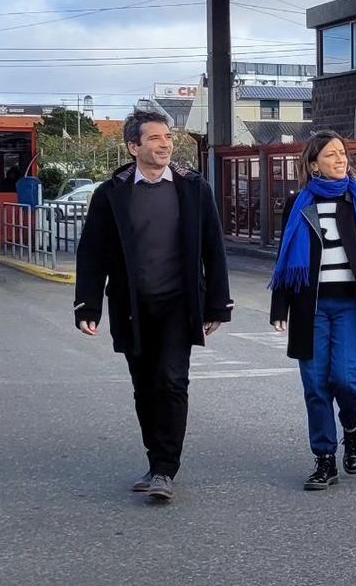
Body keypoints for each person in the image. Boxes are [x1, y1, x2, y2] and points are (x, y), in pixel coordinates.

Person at [73, 110, 233, 503]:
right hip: (132, 306)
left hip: (180, 303)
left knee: (172, 380)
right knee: (144, 386)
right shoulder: (112, 193)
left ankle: (165, 468)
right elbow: (93, 253)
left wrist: (217, 303)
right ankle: (154, 459)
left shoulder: (193, 188)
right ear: (133, 147)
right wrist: (87, 305)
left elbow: (213, 248)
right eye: (155, 138)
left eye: (168, 138)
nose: (165, 144)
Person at [270, 131, 356, 491]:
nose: (341, 160)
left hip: (352, 305)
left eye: (343, 154)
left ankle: (351, 428)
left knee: (345, 379)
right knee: (315, 384)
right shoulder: (298, 204)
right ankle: (324, 459)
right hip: (311, 305)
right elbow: (284, 259)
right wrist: (280, 307)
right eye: (331, 155)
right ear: (313, 165)